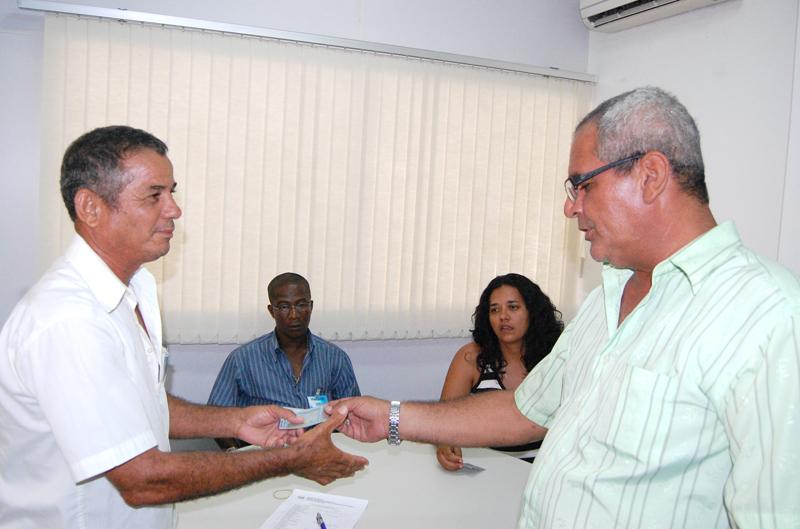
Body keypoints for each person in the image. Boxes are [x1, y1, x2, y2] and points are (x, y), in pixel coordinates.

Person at [326, 87, 800, 529]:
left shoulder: (766, 314)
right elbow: (527, 410)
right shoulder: (607, 297)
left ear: (650, 176)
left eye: (582, 185)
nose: (570, 208)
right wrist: (392, 417)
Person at [0, 125, 367, 529]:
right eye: (154, 195)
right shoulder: (68, 320)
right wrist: (288, 460)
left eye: (172, 192)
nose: (174, 210)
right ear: (90, 207)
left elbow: (142, 400)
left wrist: (234, 421)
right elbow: (143, 480)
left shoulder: (137, 288)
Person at [208, 272, 360, 449]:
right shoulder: (242, 359)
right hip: (263, 457)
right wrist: (237, 456)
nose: (294, 315)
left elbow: (353, 415)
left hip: (318, 454)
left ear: (311, 306)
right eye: (284, 306)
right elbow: (216, 419)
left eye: (301, 305)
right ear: (271, 311)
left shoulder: (335, 358)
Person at [436, 273, 562, 469]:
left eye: (513, 307)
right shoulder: (471, 358)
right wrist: (444, 445)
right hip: (485, 468)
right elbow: (443, 421)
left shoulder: (556, 359)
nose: (503, 316)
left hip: (542, 470)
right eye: (495, 310)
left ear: (532, 312)